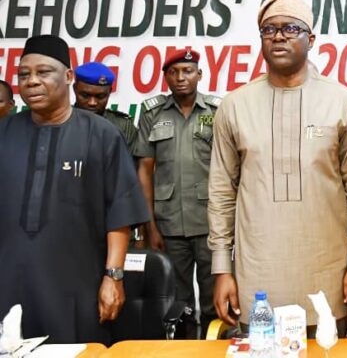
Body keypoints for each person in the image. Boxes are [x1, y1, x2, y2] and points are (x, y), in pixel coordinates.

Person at [208, 0, 347, 336]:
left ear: (311, 38)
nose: (279, 36)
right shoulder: (235, 106)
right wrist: (222, 268)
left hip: (328, 277)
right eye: (269, 30)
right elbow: (221, 194)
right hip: (257, 279)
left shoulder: (343, 102)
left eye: (290, 28)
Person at [0, 35, 149, 344]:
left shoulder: (102, 135)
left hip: (77, 288)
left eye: (43, 72)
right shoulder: (5, 133)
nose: (32, 82)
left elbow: (119, 211)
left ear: (68, 76)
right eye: (24, 74)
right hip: (8, 284)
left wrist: (114, 276)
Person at [134, 48, 221, 338]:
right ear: (166, 77)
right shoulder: (152, 114)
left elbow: (232, 169)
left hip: (211, 224)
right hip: (168, 224)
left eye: (187, 71)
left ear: (200, 74)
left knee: (215, 300)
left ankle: (213, 351)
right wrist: (150, 227)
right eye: (174, 72)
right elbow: (144, 171)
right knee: (177, 301)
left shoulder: (217, 112)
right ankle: (184, 349)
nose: (181, 77)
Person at [73, 61, 138, 155]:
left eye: (100, 97)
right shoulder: (61, 120)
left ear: (110, 92)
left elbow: (130, 167)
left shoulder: (123, 127)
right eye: (85, 95)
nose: (92, 103)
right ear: (75, 89)